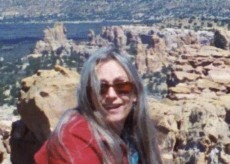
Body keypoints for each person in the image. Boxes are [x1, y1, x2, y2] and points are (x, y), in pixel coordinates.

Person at [34, 46, 162, 164]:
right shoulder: (75, 138)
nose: (111, 95)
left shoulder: (135, 132)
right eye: (101, 88)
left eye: (122, 86)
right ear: (89, 95)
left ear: (135, 93)